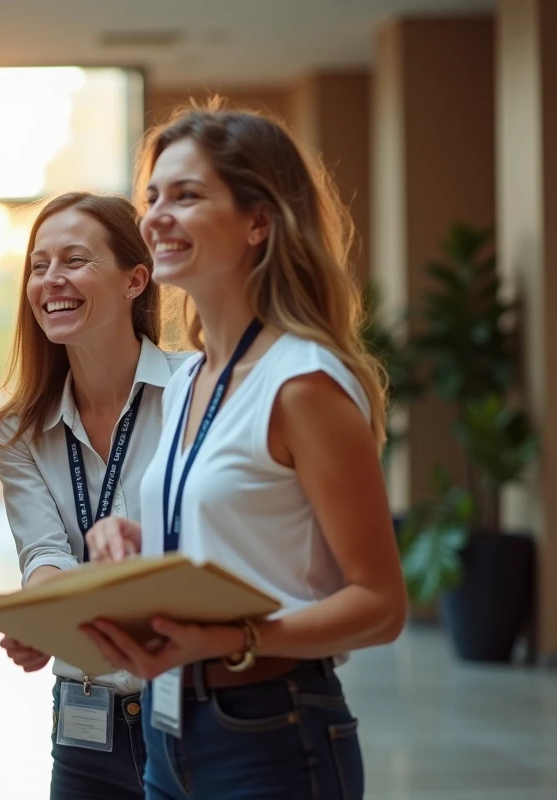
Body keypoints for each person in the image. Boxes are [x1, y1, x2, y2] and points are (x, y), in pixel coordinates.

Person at [81, 104, 409, 799]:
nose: (156, 216)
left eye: (188, 196)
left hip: (271, 729)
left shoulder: (303, 385)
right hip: (170, 727)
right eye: (153, 197)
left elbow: (380, 605)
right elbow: (239, 542)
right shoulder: (187, 382)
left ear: (259, 221)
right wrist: (135, 544)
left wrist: (230, 639)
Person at [0, 192, 191, 799]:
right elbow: (44, 556)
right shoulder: (19, 431)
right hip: (84, 724)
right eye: (39, 265)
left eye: (74, 260)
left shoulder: (194, 392)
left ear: (135, 279)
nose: (52, 280)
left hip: (187, 709)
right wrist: (42, 618)